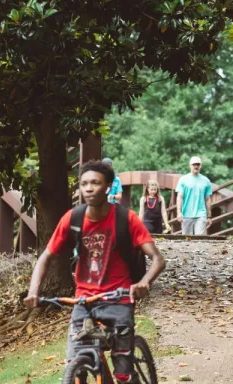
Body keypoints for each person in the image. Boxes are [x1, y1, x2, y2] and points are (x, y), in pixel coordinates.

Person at [23, 160, 166, 384]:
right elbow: (46, 257)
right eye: (84, 183)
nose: (88, 188)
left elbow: (158, 259)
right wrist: (33, 291)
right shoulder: (73, 218)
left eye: (95, 183)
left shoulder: (126, 219)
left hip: (118, 299)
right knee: (75, 366)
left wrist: (144, 282)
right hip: (84, 301)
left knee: (123, 374)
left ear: (108, 186)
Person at [175, 156, 213, 235]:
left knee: (200, 239)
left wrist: (209, 216)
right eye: (194, 164)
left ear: (200, 166)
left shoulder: (206, 181)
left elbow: (208, 199)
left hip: (201, 214)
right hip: (186, 214)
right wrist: (179, 212)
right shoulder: (183, 180)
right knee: (187, 240)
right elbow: (180, 197)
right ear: (190, 165)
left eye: (198, 164)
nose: (196, 166)